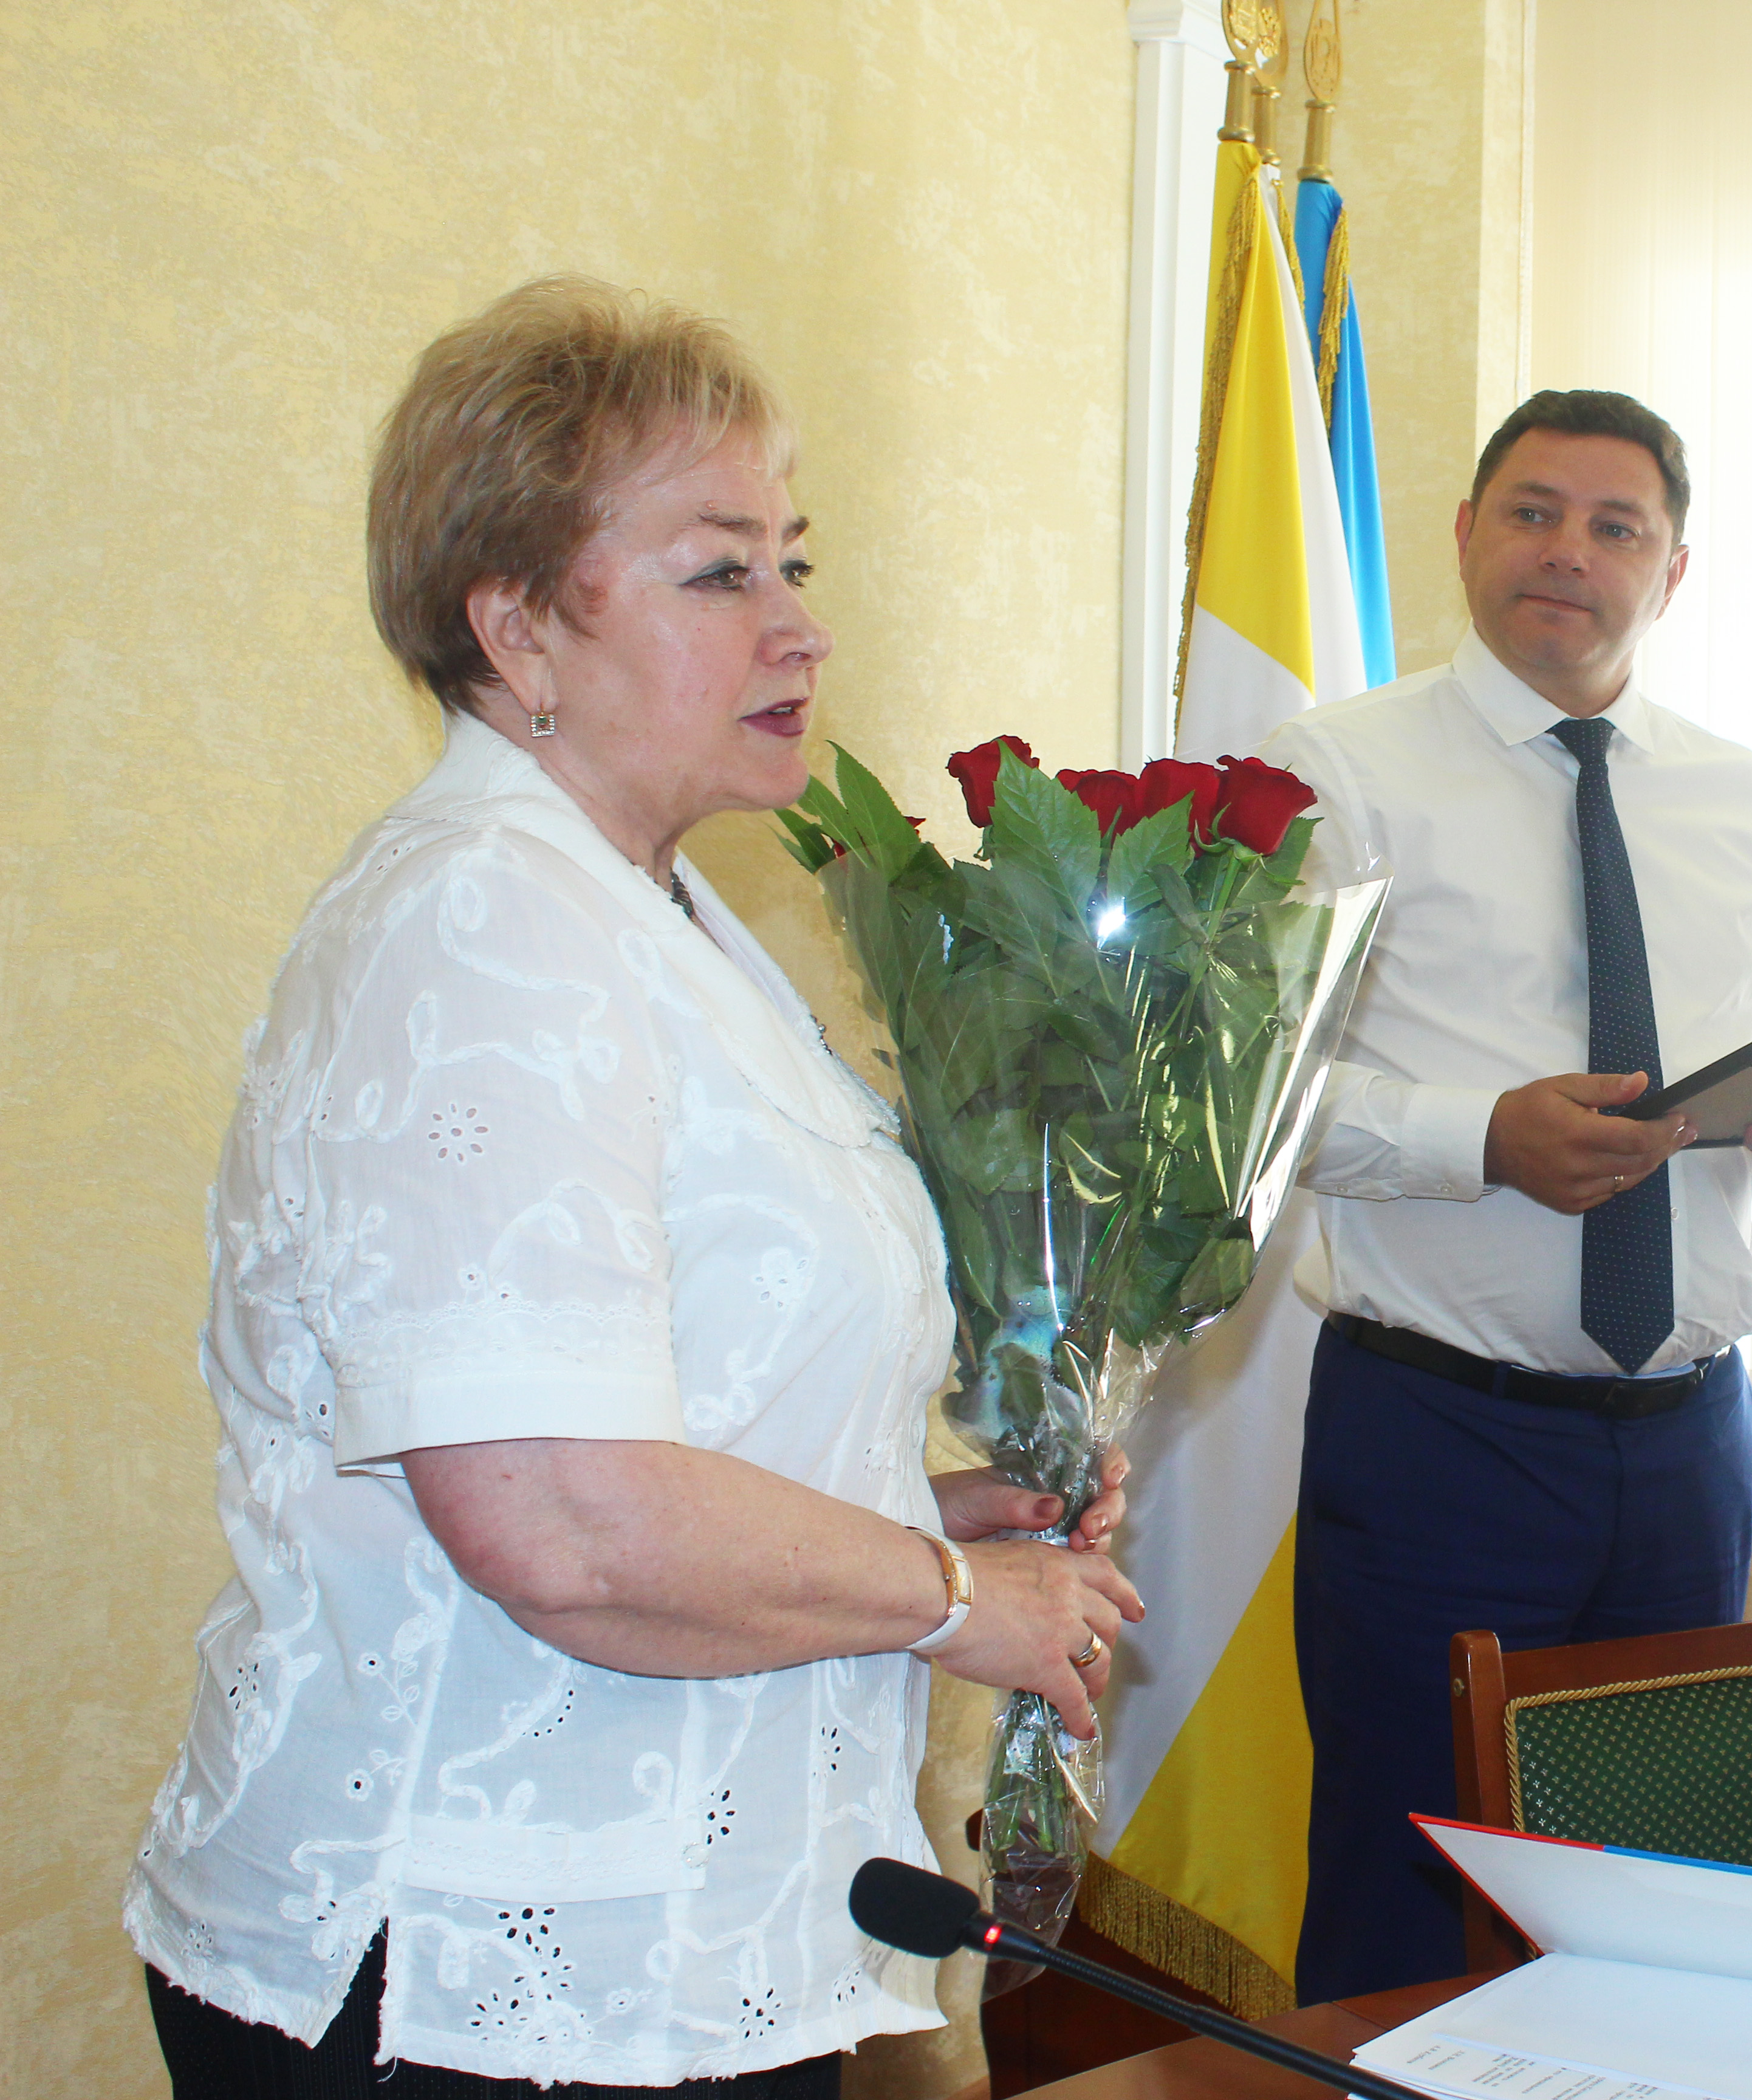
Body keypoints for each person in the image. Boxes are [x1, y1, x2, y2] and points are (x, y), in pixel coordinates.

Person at [123, 278, 1143, 2096]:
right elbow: (560, 1523)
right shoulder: (482, 921)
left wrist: (918, 1506)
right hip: (470, 1968)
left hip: (682, 1937)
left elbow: (641, 1421)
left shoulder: (650, 914)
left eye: (793, 562)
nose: (801, 625)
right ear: (517, 626)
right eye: (719, 571)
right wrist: (943, 1592)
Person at [1258, 390, 1752, 1997]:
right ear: (1467, 533)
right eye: (1533, 512)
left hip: (1687, 1443)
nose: (1568, 552)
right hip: (1438, 1440)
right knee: (1412, 1901)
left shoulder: (1739, 795)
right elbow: (1248, 1099)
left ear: (1671, 574)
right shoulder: (1331, 772)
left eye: (1617, 528)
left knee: (1654, 1907)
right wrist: (1483, 1138)